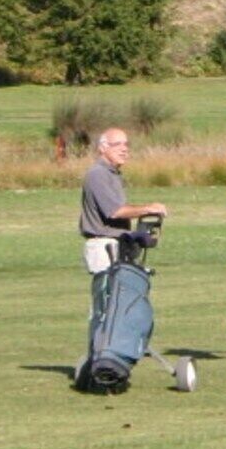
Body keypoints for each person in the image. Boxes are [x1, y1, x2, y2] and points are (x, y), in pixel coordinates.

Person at [78, 126, 167, 326]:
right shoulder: (98, 174)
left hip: (117, 244)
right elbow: (114, 211)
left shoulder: (112, 174)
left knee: (120, 302)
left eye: (126, 144)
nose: (124, 149)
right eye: (117, 144)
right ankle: (100, 352)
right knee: (106, 306)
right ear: (103, 148)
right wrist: (148, 208)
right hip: (103, 245)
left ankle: (114, 348)